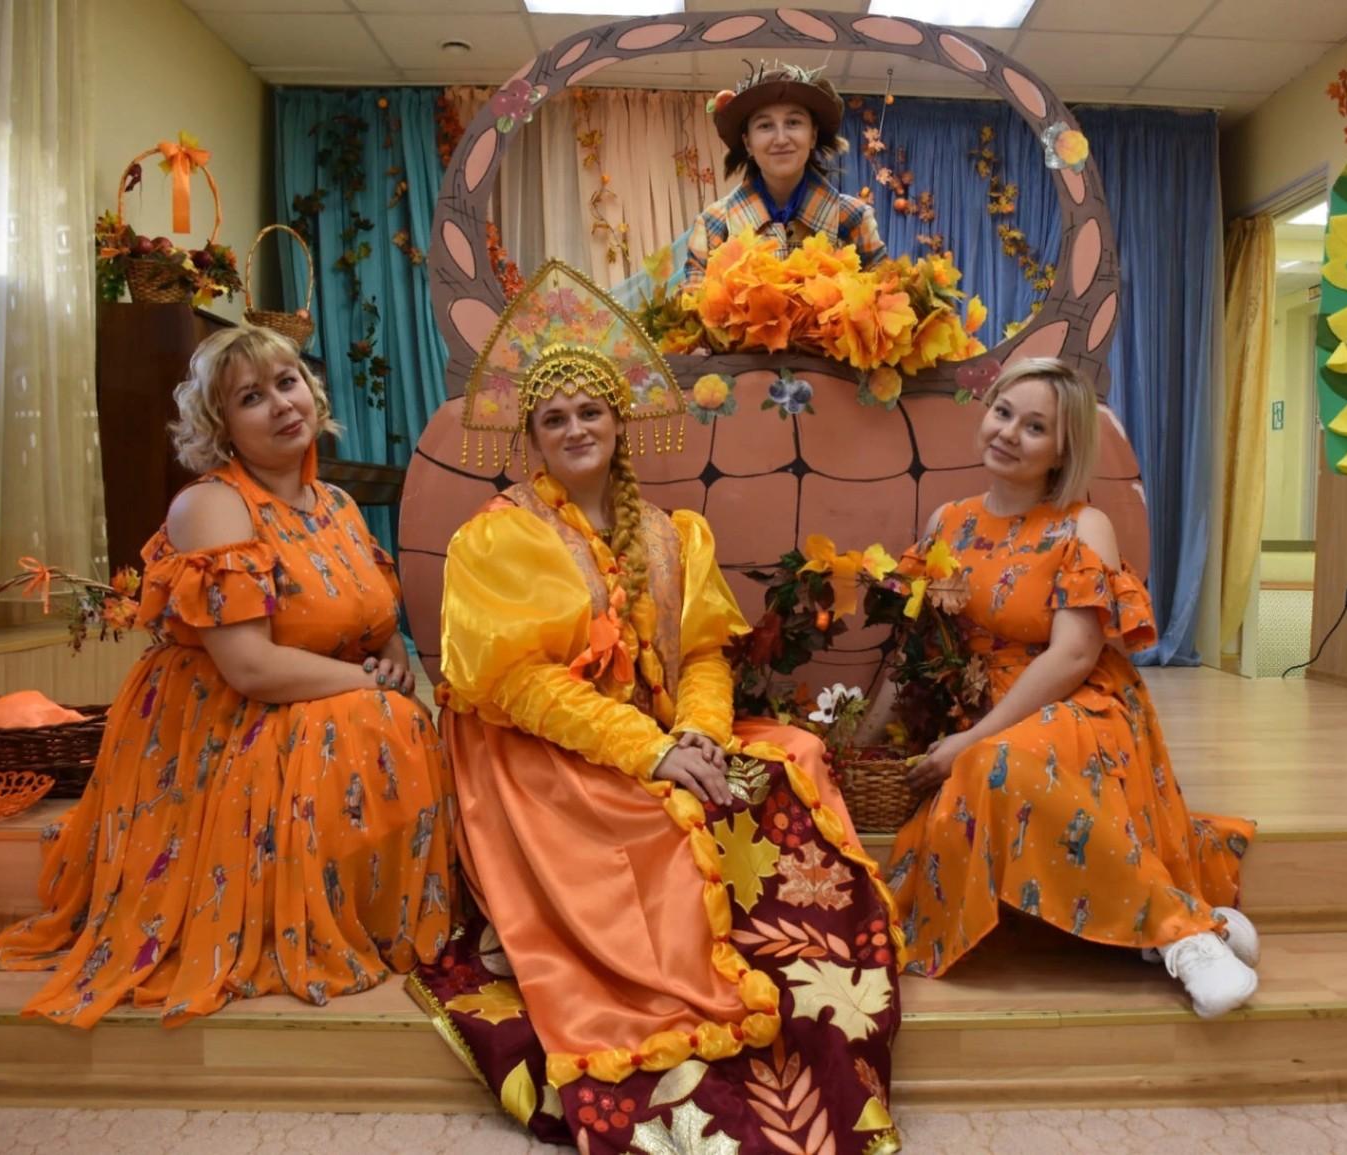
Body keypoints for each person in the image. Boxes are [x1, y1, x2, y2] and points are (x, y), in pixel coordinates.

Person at [411, 260, 904, 1154]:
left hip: (661, 727)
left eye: (590, 411)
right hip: (535, 741)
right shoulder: (496, 537)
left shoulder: (674, 535)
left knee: (791, 757)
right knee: (640, 813)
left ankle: (793, 967)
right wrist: (650, 750)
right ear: (531, 436)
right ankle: (679, 991)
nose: (575, 428)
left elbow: (706, 652)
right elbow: (518, 684)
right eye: (554, 417)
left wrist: (699, 733)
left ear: (619, 421)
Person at [0, 326, 456, 1027]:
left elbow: (376, 623)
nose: (281, 404)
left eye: (287, 383)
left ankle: (366, 914)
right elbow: (250, 666)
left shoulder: (339, 507)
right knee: (369, 717)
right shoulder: (211, 506)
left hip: (309, 694)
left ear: (311, 392)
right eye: (251, 397)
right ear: (221, 426)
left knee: (404, 717)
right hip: (223, 716)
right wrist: (370, 685)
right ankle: (296, 919)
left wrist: (391, 660)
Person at [885, 357, 1261, 1019]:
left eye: (1035, 427)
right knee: (988, 766)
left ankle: (1185, 938)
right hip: (985, 704)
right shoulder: (947, 522)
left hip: (1076, 699)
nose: (1009, 433)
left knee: (994, 763)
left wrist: (971, 738)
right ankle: (1188, 921)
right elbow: (914, 647)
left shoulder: (1083, 525)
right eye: (1004, 412)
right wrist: (857, 733)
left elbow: (1075, 654)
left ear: (1062, 450)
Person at [684, 61, 886, 284]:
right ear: (748, 142)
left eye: (793, 122)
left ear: (813, 135)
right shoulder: (713, 225)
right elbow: (692, 304)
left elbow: (884, 294)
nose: (781, 139)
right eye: (765, 125)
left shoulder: (854, 218)